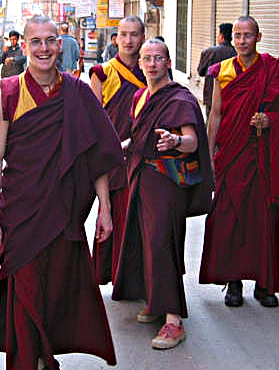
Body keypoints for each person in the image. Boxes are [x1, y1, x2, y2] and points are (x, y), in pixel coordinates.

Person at [0, 16, 121, 370]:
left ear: (60, 45)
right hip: (21, 211)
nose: (43, 49)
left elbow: (96, 154)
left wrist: (105, 208)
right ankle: (29, 360)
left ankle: (43, 354)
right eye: (35, 42)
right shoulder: (8, 94)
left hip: (65, 211)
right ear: (24, 47)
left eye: (50, 41)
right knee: (25, 290)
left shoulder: (78, 93)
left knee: (56, 290)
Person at [112, 39, 213, 350]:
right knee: (142, 241)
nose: (152, 64)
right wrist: (121, 147)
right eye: (147, 58)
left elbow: (193, 141)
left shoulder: (179, 98)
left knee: (162, 243)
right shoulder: (140, 96)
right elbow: (138, 136)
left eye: (158, 58)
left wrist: (175, 140)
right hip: (140, 178)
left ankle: (173, 321)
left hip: (166, 183)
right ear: (140, 63)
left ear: (168, 62)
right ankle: (155, 301)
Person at [199, 16, 279, 308]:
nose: (243, 40)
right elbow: (216, 114)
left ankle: (265, 284)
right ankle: (234, 283)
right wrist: (209, 156)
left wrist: (272, 119)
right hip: (232, 154)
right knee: (231, 217)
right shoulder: (223, 72)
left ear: (259, 37)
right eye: (238, 35)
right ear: (232, 39)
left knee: (263, 220)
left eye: (248, 35)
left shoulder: (273, 69)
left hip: (262, 155)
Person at [89, 16, 147, 286]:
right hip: (114, 155)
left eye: (134, 35)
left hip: (144, 155)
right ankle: (110, 272)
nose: (128, 40)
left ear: (142, 38)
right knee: (112, 210)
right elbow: (94, 118)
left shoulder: (151, 69)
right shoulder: (102, 72)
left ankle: (136, 277)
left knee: (139, 217)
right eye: (123, 34)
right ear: (116, 38)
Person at [197, 23, 236, 118]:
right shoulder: (236, 54)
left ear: (221, 36)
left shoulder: (209, 52)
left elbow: (200, 72)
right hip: (230, 98)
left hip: (211, 97)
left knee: (211, 122)